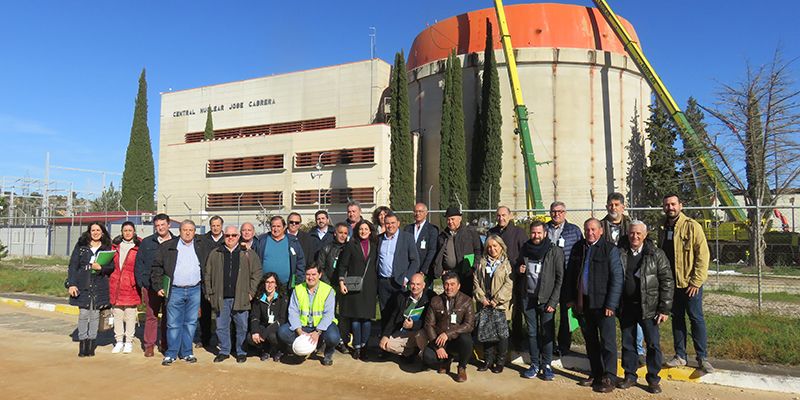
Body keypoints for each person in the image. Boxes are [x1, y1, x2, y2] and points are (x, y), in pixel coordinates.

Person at [565, 218, 623, 393]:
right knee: (590, 341)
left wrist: (611, 304)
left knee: (607, 343)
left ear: (601, 231)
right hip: (584, 303)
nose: (589, 233)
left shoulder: (609, 249)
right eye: (587, 230)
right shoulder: (579, 247)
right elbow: (570, 274)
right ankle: (596, 373)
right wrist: (571, 299)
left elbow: (617, 278)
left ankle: (609, 377)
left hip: (603, 304)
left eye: (593, 230)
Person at [658, 194, 713, 373]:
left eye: (673, 204)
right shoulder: (662, 226)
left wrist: (696, 282)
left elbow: (702, 256)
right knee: (677, 319)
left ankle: (702, 357)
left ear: (680, 205)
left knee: (696, 318)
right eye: (667, 205)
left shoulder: (692, 226)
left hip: (690, 284)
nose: (670, 208)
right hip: (671, 284)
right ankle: (680, 355)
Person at [617, 220, 674, 394]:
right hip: (626, 307)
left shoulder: (656, 254)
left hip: (649, 308)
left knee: (653, 344)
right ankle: (630, 375)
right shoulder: (620, 252)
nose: (634, 236)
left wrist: (664, 309)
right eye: (632, 233)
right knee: (628, 343)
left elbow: (667, 281)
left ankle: (653, 379)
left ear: (645, 235)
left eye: (638, 234)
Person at [151, 220, 211, 366]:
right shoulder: (167, 247)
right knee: (173, 324)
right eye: (185, 229)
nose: (188, 232)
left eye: (191, 229)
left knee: (190, 323)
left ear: (195, 232)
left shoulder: (201, 247)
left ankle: (187, 352)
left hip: (194, 289)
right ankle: (171, 353)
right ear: (180, 231)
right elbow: (157, 267)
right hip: (175, 290)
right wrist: (158, 286)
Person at [204, 225, 262, 363]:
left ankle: (241, 351)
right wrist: (209, 293)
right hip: (220, 297)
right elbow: (208, 274)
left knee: (241, 326)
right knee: (221, 326)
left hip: (241, 297)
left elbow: (257, 273)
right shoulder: (215, 253)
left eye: (234, 235)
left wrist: (251, 292)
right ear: (224, 236)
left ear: (238, 237)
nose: (230, 238)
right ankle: (224, 350)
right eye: (228, 235)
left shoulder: (248, 253)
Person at [602, 193, 645, 366]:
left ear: (623, 207)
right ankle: (610, 353)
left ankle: (639, 352)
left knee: (634, 319)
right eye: (610, 205)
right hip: (608, 279)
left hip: (628, 277)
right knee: (610, 317)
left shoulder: (631, 225)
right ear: (607, 207)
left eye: (617, 205)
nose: (613, 208)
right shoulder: (601, 225)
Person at [518, 220, 564, 380]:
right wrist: (520, 270)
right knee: (531, 333)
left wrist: (553, 302)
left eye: (539, 233)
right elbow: (518, 269)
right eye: (533, 232)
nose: (536, 236)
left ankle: (547, 365)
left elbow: (560, 279)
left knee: (547, 333)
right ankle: (535, 364)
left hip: (546, 300)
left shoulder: (554, 251)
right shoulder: (525, 249)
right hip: (528, 298)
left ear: (545, 233)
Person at [67, 222, 114, 357]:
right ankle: (83, 343)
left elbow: (111, 267)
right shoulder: (81, 247)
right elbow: (73, 266)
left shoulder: (106, 247)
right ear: (89, 232)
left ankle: (91, 344)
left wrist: (101, 268)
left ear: (102, 232)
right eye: (93, 230)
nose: (95, 232)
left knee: (94, 315)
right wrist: (72, 284)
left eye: (98, 230)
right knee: (83, 314)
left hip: (99, 285)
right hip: (83, 284)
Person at [278, 264, 341, 366]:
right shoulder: (298, 289)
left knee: (333, 337)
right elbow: (293, 311)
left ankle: (328, 353)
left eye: (313, 274)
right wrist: (299, 331)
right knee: (283, 332)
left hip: (322, 327)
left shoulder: (328, 290)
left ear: (320, 275)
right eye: (307, 274)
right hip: (303, 326)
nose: (310, 277)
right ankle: (301, 350)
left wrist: (318, 332)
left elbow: (328, 314)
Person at [337, 220, 379, 360]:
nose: (363, 231)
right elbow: (343, 266)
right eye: (361, 229)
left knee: (366, 319)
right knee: (355, 319)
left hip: (370, 286)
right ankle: (356, 347)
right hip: (354, 285)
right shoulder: (351, 245)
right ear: (357, 231)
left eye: (366, 229)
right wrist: (342, 282)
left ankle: (364, 346)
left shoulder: (375, 245)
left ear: (370, 230)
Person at [423, 271, 475, 383]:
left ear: (459, 286)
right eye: (446, 284)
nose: (449, 288)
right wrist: (438, 348)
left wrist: (448, 333)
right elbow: (429, 325)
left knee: (467, 340)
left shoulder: (467, 301)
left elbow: (469, 325)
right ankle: (446, 361)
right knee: (428, 357)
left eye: (452, 284)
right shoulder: (435, 301)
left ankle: (462, 367)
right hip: (440, 341)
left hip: (457, 340)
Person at [487, 206, 527, 351]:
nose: (501, 218)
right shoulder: (492, 232)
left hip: (514, 278)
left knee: (515, 311)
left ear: (510, 216)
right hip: (495, 279)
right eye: (498, 215)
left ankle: (517, 340)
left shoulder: (518, 232)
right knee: (496, 310)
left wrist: (521, 268)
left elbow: (525, 252)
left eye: (504, 215)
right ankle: (496, 341)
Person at [134, 213, 174, 357]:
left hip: (170, 286)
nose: (160, 228)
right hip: (151, 286)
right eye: (157, 225)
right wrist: (142, 283)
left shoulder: (177, 242)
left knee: (168, 317)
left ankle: (165, 344)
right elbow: (139, 263)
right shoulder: (147, 242)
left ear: (169, 225)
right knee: (151, 316)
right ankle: (149, 345)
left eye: (163, 225)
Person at [547, 201, 583, 356]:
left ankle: (564, 345)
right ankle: (548, 344)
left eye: (560, 211)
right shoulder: (544, 228)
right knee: (548, 313)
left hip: (567, 278)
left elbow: (580, 251)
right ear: (550, 213)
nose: (557, 214)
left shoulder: (573, 230)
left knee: (565, 314)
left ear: (565, 213)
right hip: (548, 278)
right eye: (554, 211)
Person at [473, 235, 513, 374]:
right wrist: (482, 298)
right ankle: (488, 360)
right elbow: (476, 281)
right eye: (489, 246)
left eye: (495, 246)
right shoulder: (482, 263)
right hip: (485, 304)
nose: (492, 249)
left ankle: (500, 361)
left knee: (502, 334)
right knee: (486, 332)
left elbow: (509, 284)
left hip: (499, 305)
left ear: (501, 247)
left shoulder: (506, 264)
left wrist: (497, 300)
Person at [377, 212, 420, 330]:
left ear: (398, 223)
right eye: (387, 223)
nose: (390, 226)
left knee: (399, 311)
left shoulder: (407, 238)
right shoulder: (379, 239)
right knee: (384, 311)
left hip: (400, 281)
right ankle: (384, 337)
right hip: (383, 281)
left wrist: (407, 278)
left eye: (393, 223)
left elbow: (415, 261)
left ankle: (397, 336)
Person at [379, 273, 432, 362]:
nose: (415, 287)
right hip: (404, 331)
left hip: (421, 332)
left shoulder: (429, 298)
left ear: (423, 285)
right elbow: (393, 317)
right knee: (386, 344)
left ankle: (425, 358)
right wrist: (385, 335)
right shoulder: (402, 297)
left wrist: (413, 325)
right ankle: (411, 352)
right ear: (409, 285)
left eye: (418, 284)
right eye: (412, 284)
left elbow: (428, 321)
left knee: (420, 335)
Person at [315, 222, 351, 352]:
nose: (343, 235)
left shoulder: (349, 247)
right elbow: (321, 267)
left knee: (343, 314)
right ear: (335, 233)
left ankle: (342, 340)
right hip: (329, 285)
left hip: (344, 286)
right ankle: (325, 339)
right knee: (329, 313)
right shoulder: (326, 248)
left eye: (345, 233)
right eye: (340, 232)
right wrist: (327, 285)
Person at [433, 205, 483, 296]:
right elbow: (439, 254)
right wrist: (440, 270)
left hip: (465, 274)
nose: (450, 222)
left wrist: (474, 267)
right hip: (448, 275)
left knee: (464, 299)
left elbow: (478, 250)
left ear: (460, 219)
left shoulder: (470, 232)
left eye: (452, 219)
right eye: (448, 219)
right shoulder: (442, 236)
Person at [110, 222, 142, 354]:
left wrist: (135, 280)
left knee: (130, 314)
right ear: (121, 232)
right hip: (116, 283)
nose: (127, 233)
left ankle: (128, 341)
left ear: (134, 231)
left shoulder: (139, 247)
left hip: (131, 284)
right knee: (117, 314)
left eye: (130, 230)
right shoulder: (114, 246)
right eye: (125, 230)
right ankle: (118, 341)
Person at [248, 272, 288, 362]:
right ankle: (265, 350)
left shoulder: (282, 298)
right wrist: (255, 331)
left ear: (276, 284)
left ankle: (280, 350)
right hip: (264, 326)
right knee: (250, 338)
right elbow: (255, 317)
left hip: (277, 328)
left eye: (272, 282)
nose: (270, 285)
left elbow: (282, 319)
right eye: (267, 282)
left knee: (271, 336)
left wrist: (265, 333)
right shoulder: (259, 298)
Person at [198, 216, 225, 350]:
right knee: (205, 313)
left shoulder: (227, 240)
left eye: (218, 225)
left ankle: (223, 341)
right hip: (206, 280)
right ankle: (205, 339)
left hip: (222, 281)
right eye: (213, 225)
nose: (215, 228)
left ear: (222, 226)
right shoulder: (203, 240)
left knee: (222, 313)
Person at [256, 216, 305, 287]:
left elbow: (300, 262)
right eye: (273, 226)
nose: (276, 229)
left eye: (278, 226)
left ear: (284, 227)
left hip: (286, 285)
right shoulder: (262, 241)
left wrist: (298, 281)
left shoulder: (293, 241)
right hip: (266, 285)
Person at [403, 202, 439, 285]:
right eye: (415, 211)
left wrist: (423, 270)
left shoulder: (432, 230)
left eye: (420, 211)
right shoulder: (408, 229)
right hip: (409, 269)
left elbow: (432, 251)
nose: (417, 214)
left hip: (424, 270)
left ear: (426, 213)